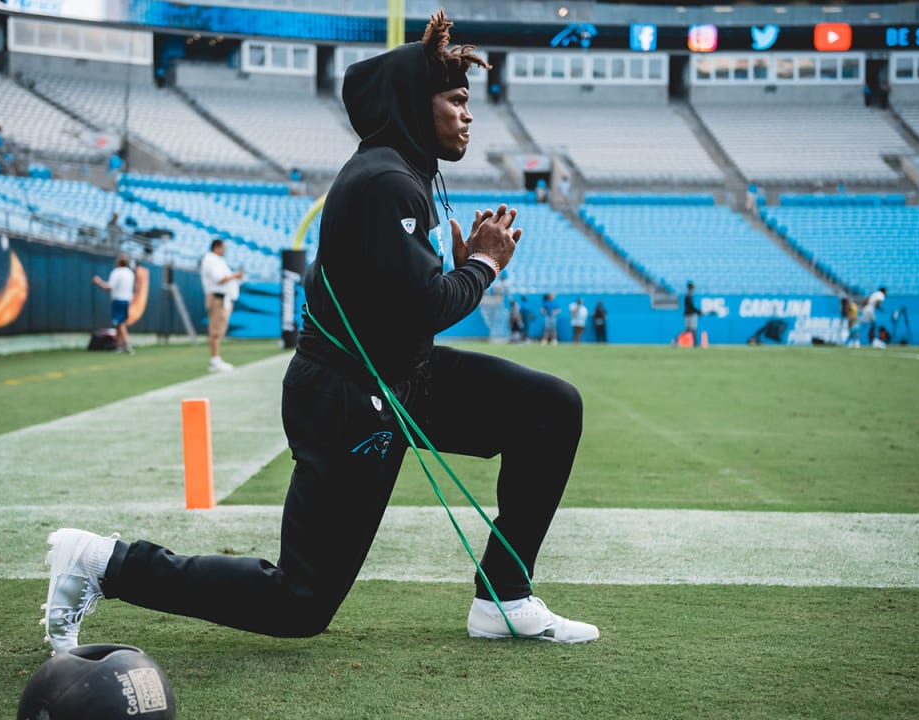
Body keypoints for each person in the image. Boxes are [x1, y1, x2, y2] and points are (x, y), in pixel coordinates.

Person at [37, 10, 597, 655]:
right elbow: (426, 305)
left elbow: (399, 302)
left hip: (401, 377)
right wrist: (484, 264)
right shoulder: (388, 179)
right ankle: (100, 562)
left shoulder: (405, 173)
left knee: (549, 408)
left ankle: (506, 596)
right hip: (348, 399)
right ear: (418, 104)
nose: (469, 115)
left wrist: (465, 265)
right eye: (457, 99)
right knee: (298, 603)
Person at [199, 238, 245, 372]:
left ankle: (216, 359)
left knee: (219, 330)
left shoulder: (217, 260)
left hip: (222, 298)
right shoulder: (210, 260)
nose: (224, 251)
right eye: (223, 248)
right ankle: (215, 360)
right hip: (217, 298)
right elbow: (219, 279)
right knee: (215, 330)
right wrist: (235, 276)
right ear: (216, 247)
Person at [92, 255, 135, 354]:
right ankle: (118, 346)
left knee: (121, 323)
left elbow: (109, 287)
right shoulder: (130, 273)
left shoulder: (117, 272)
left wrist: (98, 281)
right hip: (127, 300)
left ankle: (128, 345)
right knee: (119, 324)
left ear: (118, 262)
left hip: (118, 300)